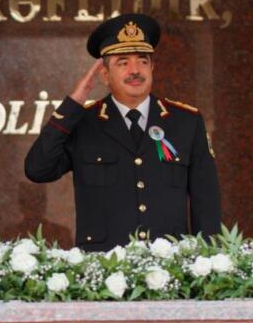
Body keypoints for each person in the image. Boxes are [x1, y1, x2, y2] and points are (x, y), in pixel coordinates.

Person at [24, 13, 221, 250]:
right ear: (105, 75)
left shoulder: (186, 122)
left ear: (153, 67)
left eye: (143, 60)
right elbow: (37, 169)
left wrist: (206, 263)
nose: (135, 70)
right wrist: (73, 104)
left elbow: (206, 201)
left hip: (170, 269)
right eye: (123, 62)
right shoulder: (84, 122)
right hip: (103, 269)